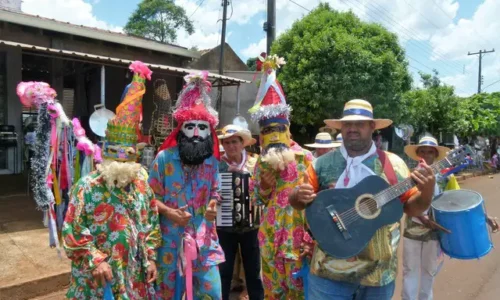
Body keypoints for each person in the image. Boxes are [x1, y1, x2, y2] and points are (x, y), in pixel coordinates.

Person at [289, 99, 437, 300]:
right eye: (348, 124)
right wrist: (298, 195)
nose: (353, 129)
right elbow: (298, 201)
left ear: (372, 127)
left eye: (360, 124)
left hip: (379, 275)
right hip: (328, 274)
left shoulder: (394, 165)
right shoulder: (321, 164)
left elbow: (411, 208)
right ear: (341, 128)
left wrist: (427, 192)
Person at [62, 61, 161, 299]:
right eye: (116, 154)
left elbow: (151, 226)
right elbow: (72, 229)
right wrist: (95, 260)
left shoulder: (141, 185)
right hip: (97, 280)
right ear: (105, 151)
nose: (122, 164)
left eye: (128, 156)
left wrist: (150, 258)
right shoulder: (87, 186)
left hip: (133, 277)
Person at [148, 71, 224, 299]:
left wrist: (212, 205)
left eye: (202, 128)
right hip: (170, 241)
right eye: (190, 127)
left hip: (204, 239)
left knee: (212, 293)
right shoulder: (163, 159)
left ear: (209, 131)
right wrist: (169, 212)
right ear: (180, 130)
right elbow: (149, 198)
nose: (196, 134)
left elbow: (216, 192)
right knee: (166, 295)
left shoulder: (212, 162)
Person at [249, 53, 314, 300]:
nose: (273, 135)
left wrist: (310, 238)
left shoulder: (305, 159)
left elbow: (315, 199)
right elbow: (257, 199)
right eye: (267, 130)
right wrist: (264, 188)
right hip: (270, 240)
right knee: (273, 294)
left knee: (299, 294)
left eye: (278, 129)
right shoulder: (260, 163)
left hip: (298, 242)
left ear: (288, 129)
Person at [217, 124, 264, 300]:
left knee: (253, 272)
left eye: (234, 142)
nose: (231, 146)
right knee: (224, 271)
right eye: (227, 142)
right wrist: (216, 195)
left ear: (242, 143)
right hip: (224, 226)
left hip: (252, 226)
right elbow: (209, 188)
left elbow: (264, 189)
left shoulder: (255, 163)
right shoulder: (217, 165)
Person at [401, 135, 450, 300]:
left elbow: (455, 200)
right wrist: (422, 218)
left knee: (429, 271)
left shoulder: (446, 177)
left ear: (436, 155)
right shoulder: (409, 176)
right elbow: (404, 201)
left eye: (430, 152)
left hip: (434, 232)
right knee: (410, 270)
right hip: (412, 230)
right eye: (423, 151)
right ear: (418, 154)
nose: (426, 155)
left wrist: (485, 217)